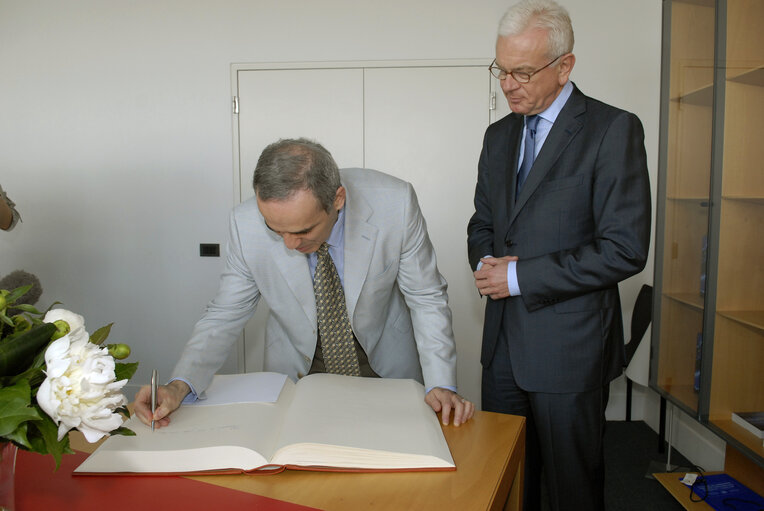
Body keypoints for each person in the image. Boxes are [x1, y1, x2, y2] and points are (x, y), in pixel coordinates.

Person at [135, 138, 474, 429]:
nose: (289, 245)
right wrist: (179, 385)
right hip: (299, 371)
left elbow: (426, 297)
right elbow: (224, 314)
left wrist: (441, 383)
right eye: (276, 230)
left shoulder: (394, 204)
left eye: (302, 231)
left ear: (337, 199)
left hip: (384, 364)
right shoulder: (245, 224)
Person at [467, 1, 651, 510]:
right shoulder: (498, 135)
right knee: (508, 481)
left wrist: (521, 277)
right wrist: (487, 264)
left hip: (569, 351)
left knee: (572, 487)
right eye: (501, 70)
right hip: (501, 350)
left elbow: (625, 248)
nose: (508, 84)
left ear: (565, 66)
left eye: (522, 72)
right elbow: (483, 223)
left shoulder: (613, 130)